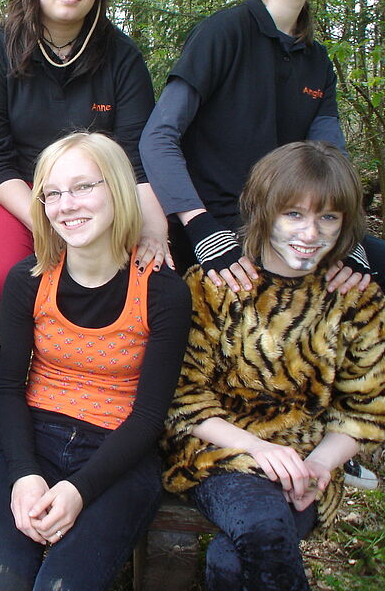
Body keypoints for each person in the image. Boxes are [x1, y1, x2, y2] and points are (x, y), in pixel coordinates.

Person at [0, 132, 190, 591]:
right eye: (52, 194)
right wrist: (24, 473)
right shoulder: (30, 280)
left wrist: (78, 490)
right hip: (33, 440)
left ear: (118, 189)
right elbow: (7, 388)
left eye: (83, 187)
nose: (66, 205)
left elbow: (150, 415)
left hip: (119, 452)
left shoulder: (161, 290)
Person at [162, 141, 385, 591]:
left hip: (306, 456)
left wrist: (320, 464)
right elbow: (181, 397)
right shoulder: (214, 285)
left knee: (231, 562)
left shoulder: (356, 298)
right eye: (294, 214)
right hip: (215, 449)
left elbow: (365, 409)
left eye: (328, 217)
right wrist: (258, 450)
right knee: (261, 525)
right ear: (265, 212)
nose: (310, 233)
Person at [140, 0, 381, 295]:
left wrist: (350, 241)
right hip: (214, 227)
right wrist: (201, 229)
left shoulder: (318, 61)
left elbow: (331, 159)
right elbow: (158, 137)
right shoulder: (223, 33)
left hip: (292, 229)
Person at [0, 0, 169, 317]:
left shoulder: (122, 57)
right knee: (2, 277)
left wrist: (155, 227)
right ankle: (2, 359)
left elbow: (135, 159)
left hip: (96, 192)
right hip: (8, 185)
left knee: (137, 273)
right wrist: (50, 220)